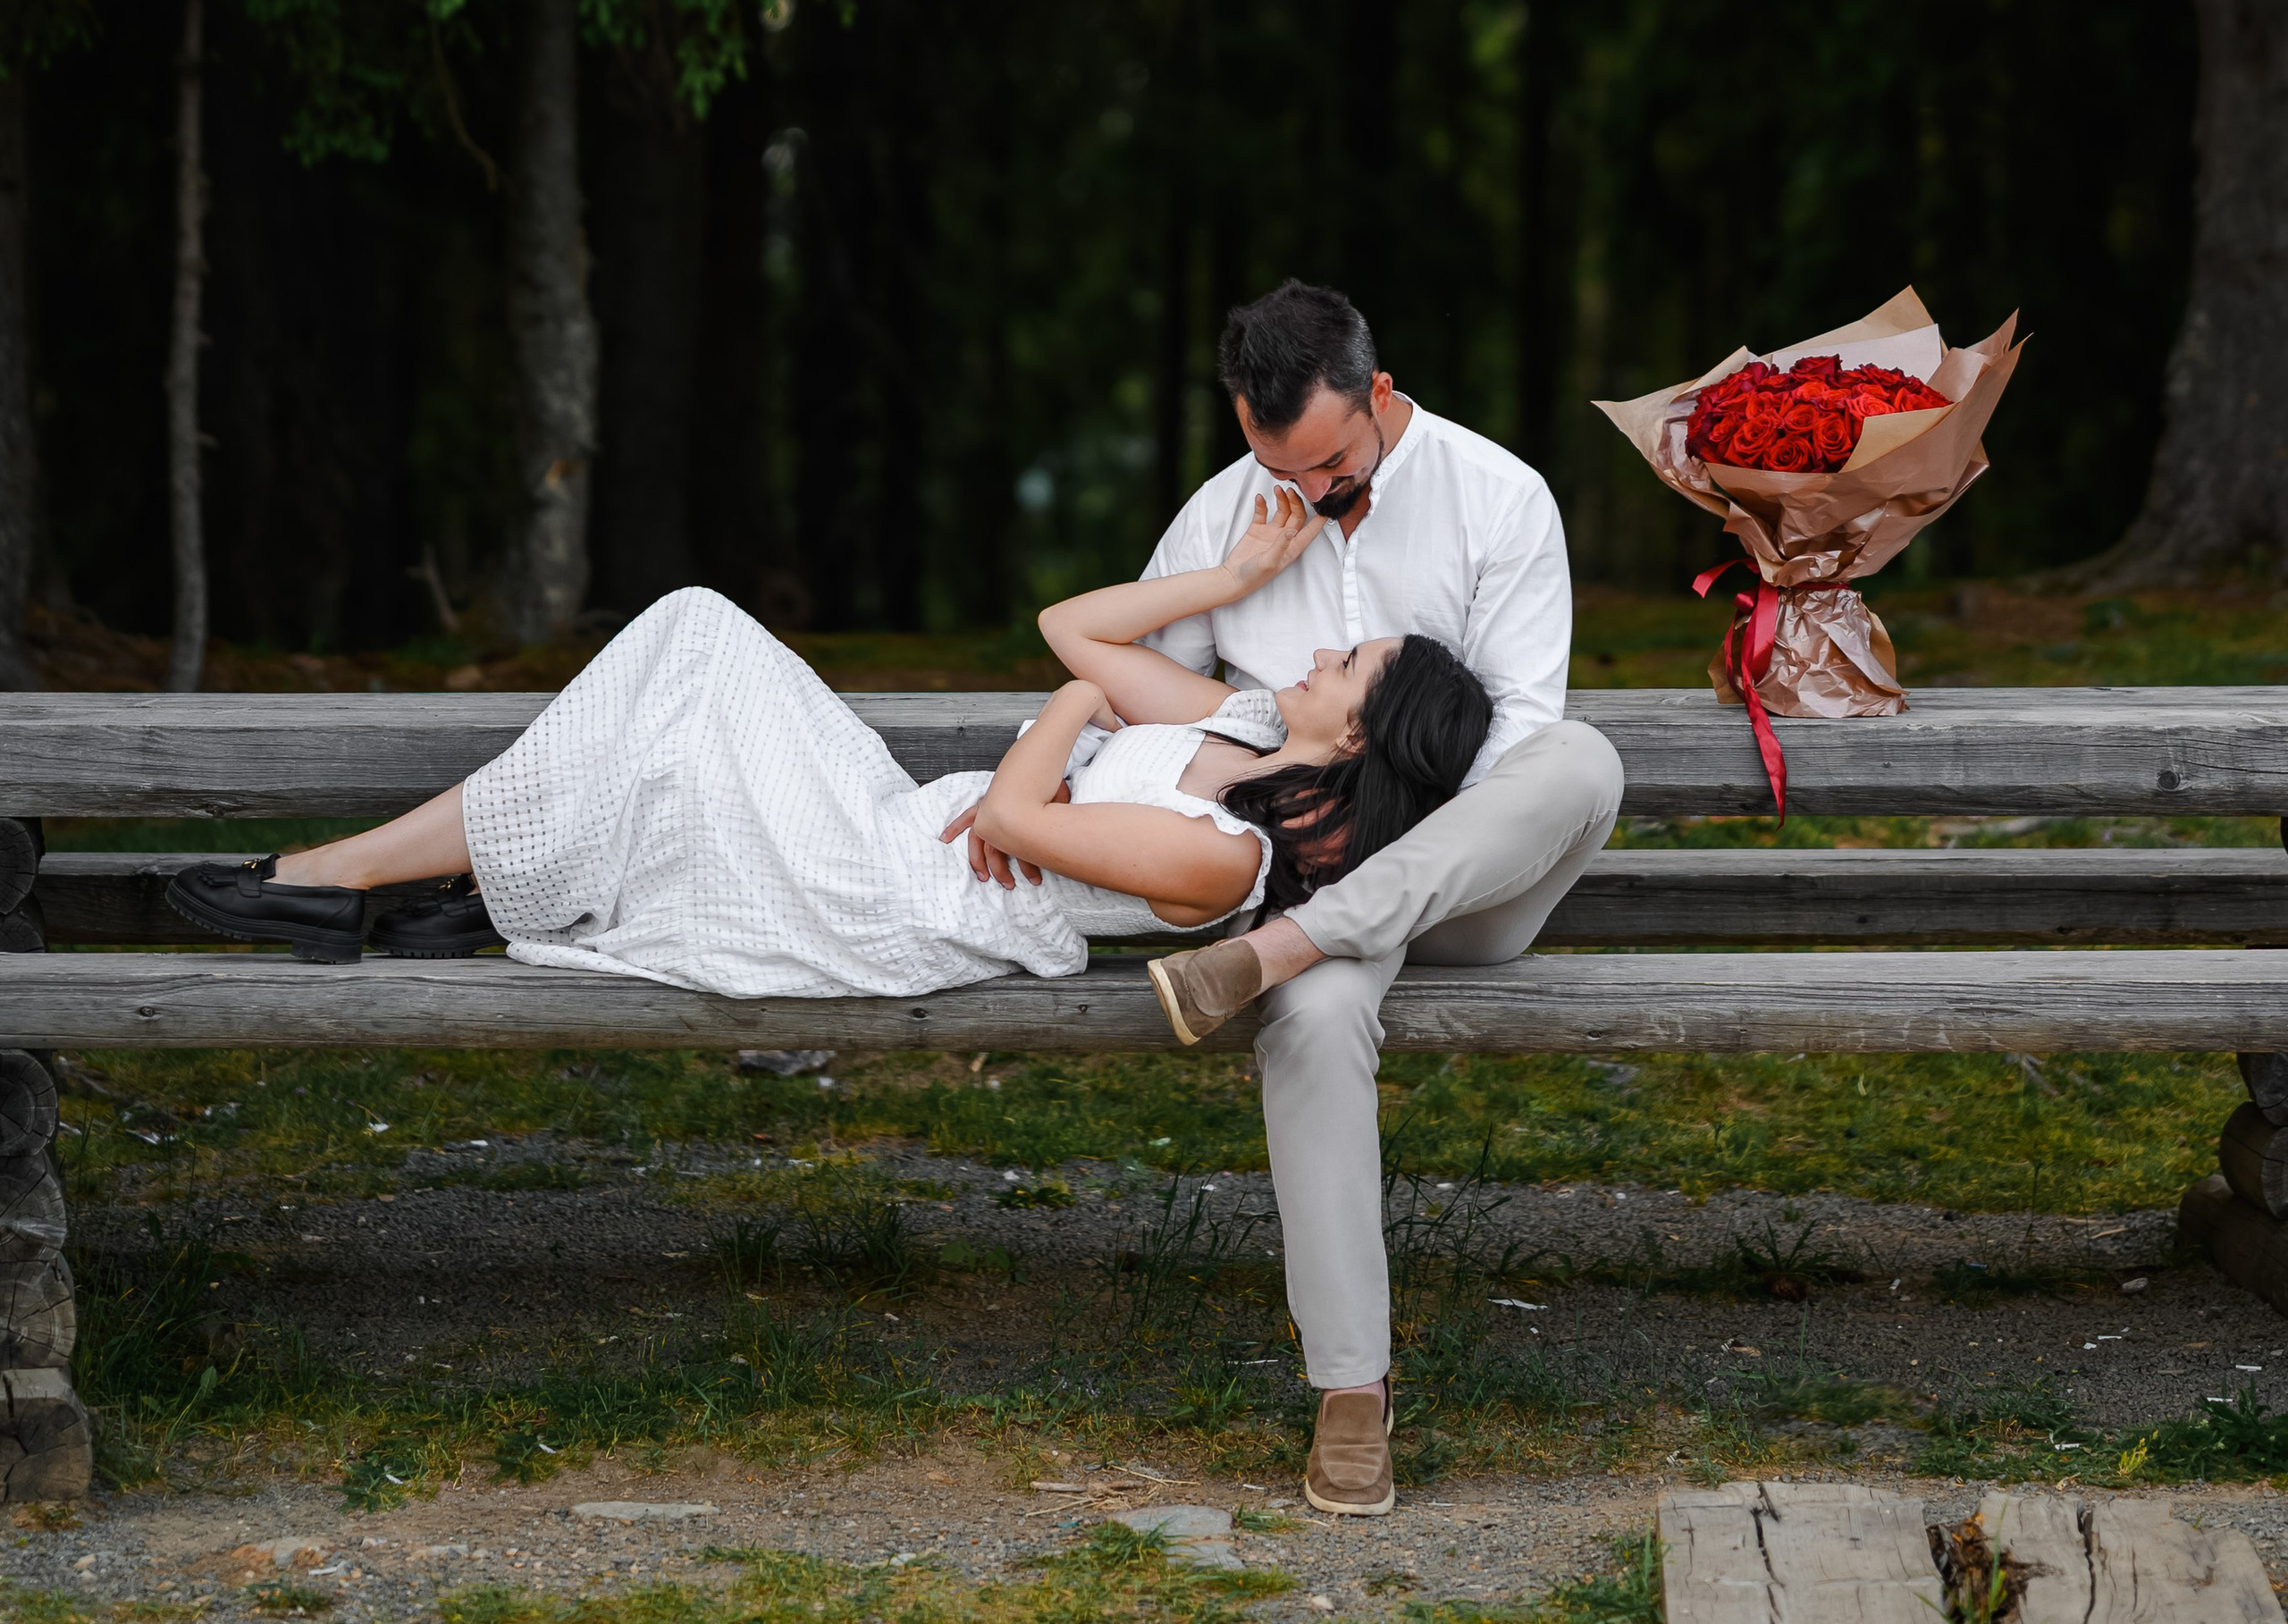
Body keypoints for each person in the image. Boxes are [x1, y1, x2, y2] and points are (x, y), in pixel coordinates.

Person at [958, 278, 1622, 1522]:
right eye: (1280, 465)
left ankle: (1295, 946)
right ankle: (1353, 1393)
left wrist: (1350, 883)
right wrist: (1018, 794)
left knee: (1583, 757)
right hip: (1288, 888)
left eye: (1331, 463)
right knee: (1314, 1020)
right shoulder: (1227, 507)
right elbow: (1141, 683)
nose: (1310, 492)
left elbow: (1519, 733)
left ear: (1379, 394)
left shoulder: (1500, 495)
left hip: (1458, 887)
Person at [160, 499, 1493, 1014]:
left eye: (1350, 666)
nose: (1322, 652)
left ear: (1363, 733)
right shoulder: (1239, 723)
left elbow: (1026, 824)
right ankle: (395, 889)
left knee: (684, 682)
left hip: (898, 900)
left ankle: (347, 884)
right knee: (691, 638)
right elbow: (1069, 629)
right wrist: (1229, 571)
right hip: (904, 822)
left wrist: (1073, 725)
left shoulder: (1222, 858)